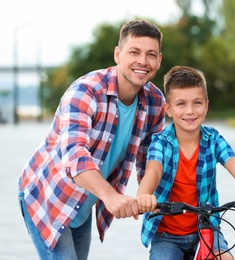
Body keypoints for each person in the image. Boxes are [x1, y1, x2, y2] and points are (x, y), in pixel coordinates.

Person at [17, 20, 165, 259]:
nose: (143, 61)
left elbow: (151, 161)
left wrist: (154, 198)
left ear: (159, 60)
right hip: (48, 197)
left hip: (83, 203)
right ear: (118, 54)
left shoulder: (155, 101)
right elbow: (75, 156)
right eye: (134, 52)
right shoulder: (85, 91)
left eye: (151, 54)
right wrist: (111, 197)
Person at [136, 65, 235, 260]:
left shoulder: (213, 139)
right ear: (168, 109)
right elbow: (153, 171)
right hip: (167, 236)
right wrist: (144, 196)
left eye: (197, 103)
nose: (190, 111)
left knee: (225, 258)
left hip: (206, 229)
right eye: (181, 104)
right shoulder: (161, 142)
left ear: (206, 105)